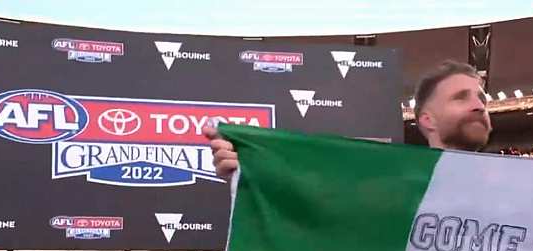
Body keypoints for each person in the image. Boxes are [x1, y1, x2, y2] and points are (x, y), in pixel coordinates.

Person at [203, 59, 493, 180]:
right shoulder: (395, 189)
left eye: (481, 97)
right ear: (427, 120)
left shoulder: (527, 192)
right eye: (460, 97)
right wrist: (251, 177)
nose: (479, 106)